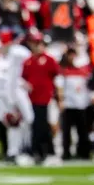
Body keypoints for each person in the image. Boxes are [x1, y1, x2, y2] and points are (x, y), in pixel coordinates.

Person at [22, 28, 63, 165]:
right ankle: (37, 153)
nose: (37, 46)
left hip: (47, 98)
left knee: (47, 125)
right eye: (35, 43)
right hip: (32, 99)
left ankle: (50, 152)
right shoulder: (28, 61)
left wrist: (60, 98)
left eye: (39, 43)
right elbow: (23, 79)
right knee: (36, 126)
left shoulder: (49, 60)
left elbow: (58, 79)